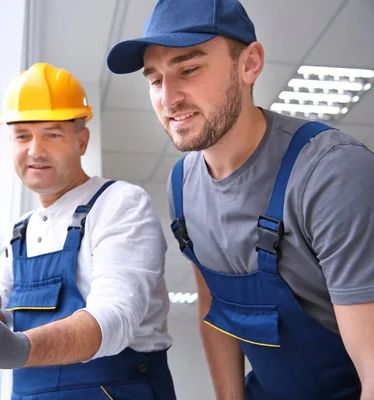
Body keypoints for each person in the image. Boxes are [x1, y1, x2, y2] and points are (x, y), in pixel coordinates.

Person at [106, 0, 374, 399]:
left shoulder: (330, 175)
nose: (169, 98)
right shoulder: (182, 186)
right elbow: (214, 308)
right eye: (156, 80)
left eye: (189, 69)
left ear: (249, 64)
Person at [0, 62, 177, 399]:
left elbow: (116, 317)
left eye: (52, 133)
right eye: (22, 135)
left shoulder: (120, 203)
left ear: (82, 140)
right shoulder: (20, 232)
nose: (35, 150)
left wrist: (19, 348)